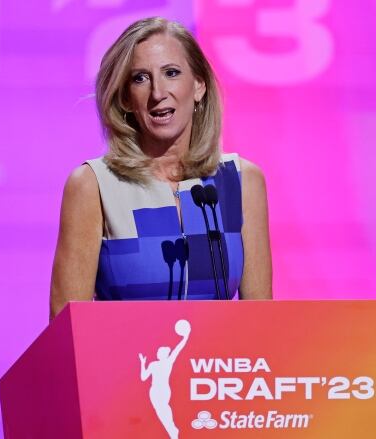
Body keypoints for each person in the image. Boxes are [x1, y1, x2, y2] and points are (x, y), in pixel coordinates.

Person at [50, 17, 272, 319]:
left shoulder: (240, 180)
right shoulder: (94, 186)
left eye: (171, 73)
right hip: (127, 365)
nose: (158, 93)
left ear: (198, 86)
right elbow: (66, 333)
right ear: (126, 99)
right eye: (140, 78)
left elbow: (261, 325)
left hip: (216, 365)